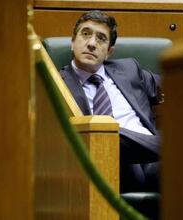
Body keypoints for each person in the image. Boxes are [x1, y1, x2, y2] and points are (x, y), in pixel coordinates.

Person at [59, 10, 161, 194]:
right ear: (72, 42)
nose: (91, 44)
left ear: (108, 52)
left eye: (101, 38)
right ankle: (169, 146)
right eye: (86, 34)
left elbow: (176, 85)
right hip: (111, 162)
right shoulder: (57, 82)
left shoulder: (129, 69)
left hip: (153, 163)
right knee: (106, 130)